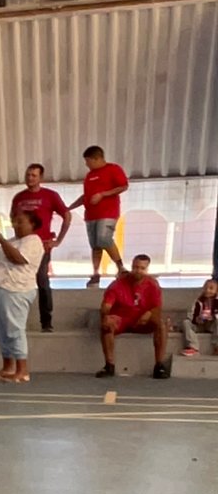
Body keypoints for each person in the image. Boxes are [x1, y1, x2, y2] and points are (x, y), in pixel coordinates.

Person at [10, 163, 70, 331]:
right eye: (28, 175)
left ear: (40, 178)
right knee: (18, 281)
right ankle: (17, 320)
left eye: (34, 175)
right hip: (22, 246)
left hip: (42, 246)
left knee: (42, 280)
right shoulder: (19, 197)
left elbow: (67, 216)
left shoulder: (50, 196)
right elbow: (13, 218)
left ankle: (46, 321)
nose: (30, 178)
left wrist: (58, 241)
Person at [0, 216, 44, 382]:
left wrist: (2, 241)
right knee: (1, 331)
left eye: (20, 222)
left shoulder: (33, 241)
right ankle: (8, 366)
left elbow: (18, 258)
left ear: (32, 223)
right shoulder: (12, 241)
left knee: (15, 330)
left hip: (16, 290)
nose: (16, 225)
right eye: (15, 222)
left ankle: (22, 370)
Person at [98, 254, 171, 380]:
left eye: (142, 268)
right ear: (132, 267)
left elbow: (157, 307)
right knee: (107, 324)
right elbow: (106, 305)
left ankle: (159, 366)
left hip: (142, 320)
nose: (138, 271)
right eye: (136, 267)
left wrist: (148, 314)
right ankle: (109, 365)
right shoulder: (117, 284)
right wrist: (105, 314)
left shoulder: (152, 284)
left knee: (161, 324)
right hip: (121, 319)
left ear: (147, 269)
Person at [71, 146, 129, 289]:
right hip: (91, 215)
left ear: (97, 159)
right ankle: (95, 273)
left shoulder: (113, 169)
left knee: (104, 238)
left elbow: (123, 186)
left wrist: (103, 194)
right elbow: (86, 196)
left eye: (88, 161)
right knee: (95, 245)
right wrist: (69, 208)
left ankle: (120, 267)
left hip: (108, 213)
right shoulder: (89, 176)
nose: (86, 164)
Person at [181, 279, 218, 354]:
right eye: (205, 288)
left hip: (212, 325)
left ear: (216, 291)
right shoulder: (198, 302)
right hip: (199, 325)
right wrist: (196, 319)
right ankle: (193, 347)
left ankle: (217, 346)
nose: (207, 290)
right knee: (186, 322)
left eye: (211, 288)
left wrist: (213, 316)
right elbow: (191, 315)